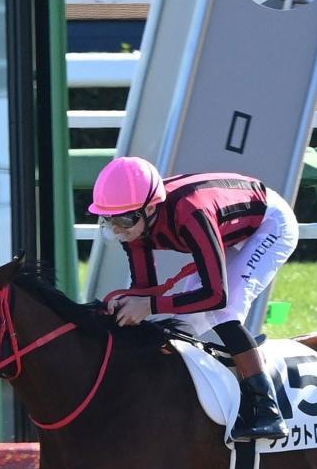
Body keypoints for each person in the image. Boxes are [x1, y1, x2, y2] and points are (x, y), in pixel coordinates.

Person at [89, 156, 299, 441]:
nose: (118, 230)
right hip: (228, 223)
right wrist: (126, 301)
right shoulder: (136, 221)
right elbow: (144, 286)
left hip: (269, 224)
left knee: (223, 312)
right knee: (187, 323)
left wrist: (148, 305)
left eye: (124, 220)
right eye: (109, 219)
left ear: (150, 208)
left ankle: (268, 409)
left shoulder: (190, 213)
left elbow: (216, 295)